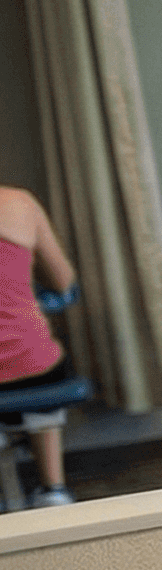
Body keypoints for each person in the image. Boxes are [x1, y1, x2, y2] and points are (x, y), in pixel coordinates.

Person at [0, 185, 82, 506]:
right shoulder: (20, 203)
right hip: (35, 367)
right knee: (37, 353)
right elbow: (64, 281)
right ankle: (54, 489)